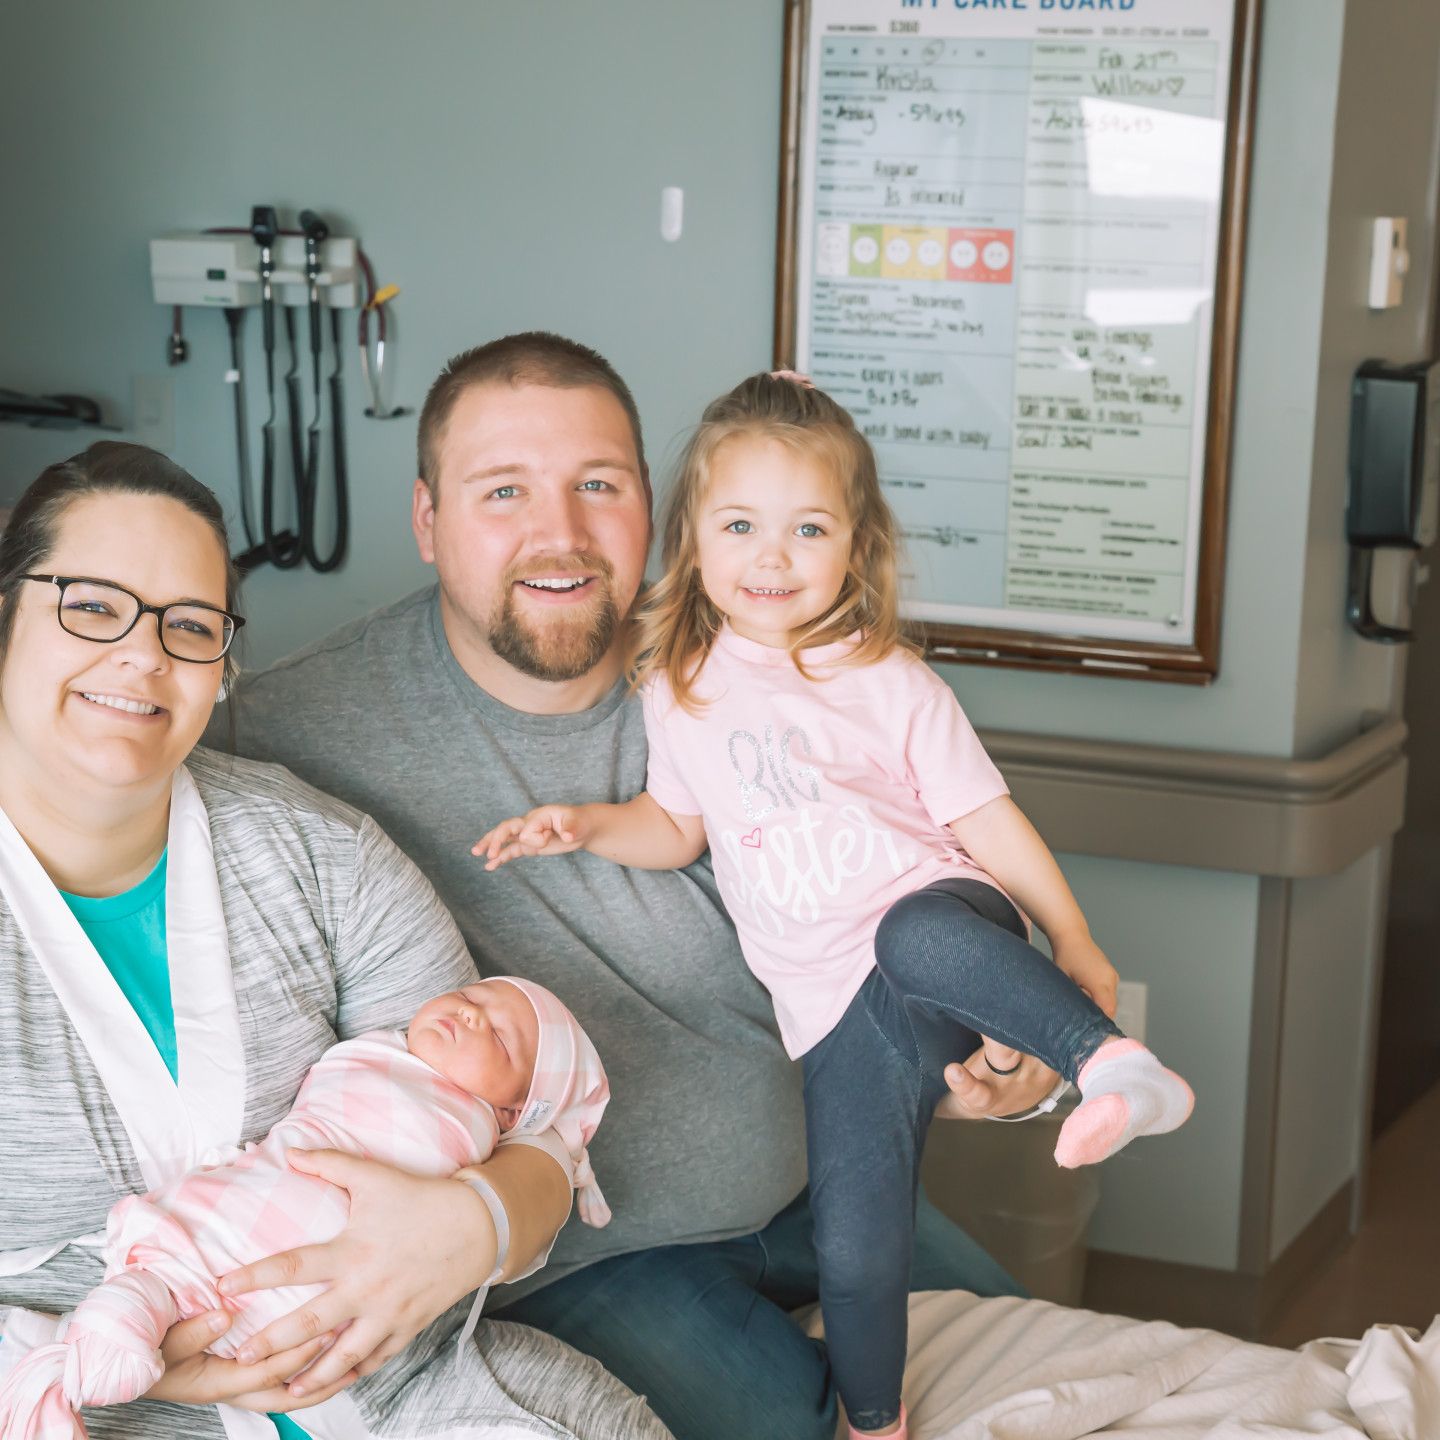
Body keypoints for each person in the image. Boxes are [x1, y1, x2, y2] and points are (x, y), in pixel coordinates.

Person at [223, 332, 1064, 1440]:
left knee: (1045, 1373)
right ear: (426, 520)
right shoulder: (287, 732)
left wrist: (1015, 1055)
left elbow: (934, 877)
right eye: (504, 490)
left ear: (653, 510)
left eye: (598, 486)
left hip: (826, 1187)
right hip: (584, 1258)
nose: (559, 534)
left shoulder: (760, 667)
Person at [476, 373, 1196, 1438]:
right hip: (834, 1013)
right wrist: (584, 822)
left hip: (945, 931)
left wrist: (1075, 938)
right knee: (860, 1242)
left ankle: (1118, 1067)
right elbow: (675, 828)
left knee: (917, 929)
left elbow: (989, 821)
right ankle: (875, 1422)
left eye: (808, 528)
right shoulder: (679, 687)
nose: (771, 558)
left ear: (854, 547)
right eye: (741, 526)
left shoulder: (889, 678)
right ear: (695, 539)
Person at [0, 441, 670, 1440]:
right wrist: (122, 1364)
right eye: (92, 605)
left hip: (414, 1389)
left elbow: (532, 1130)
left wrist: (475, 1219)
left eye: (189, 626)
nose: (143, 656)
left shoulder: (324, 859)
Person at [0, 975, 612, 1440]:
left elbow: (546, 1162)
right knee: (174, 1279)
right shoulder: (381, 1052)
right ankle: (66, 1362)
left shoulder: (476, 1129)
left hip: (344, 1320)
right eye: (470, 996)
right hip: (242, 1220)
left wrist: (486, 1213)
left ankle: (61, 1361)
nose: (470, 1013)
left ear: (512, 1114)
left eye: (500, 1037)